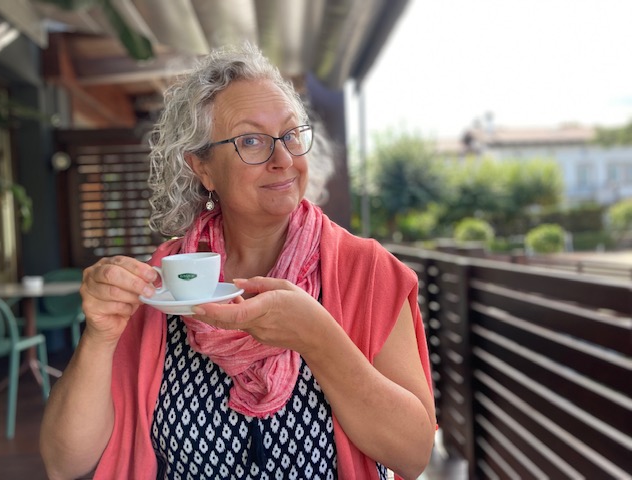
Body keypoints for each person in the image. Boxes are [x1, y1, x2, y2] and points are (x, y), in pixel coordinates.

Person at [40, 43, 436, 480]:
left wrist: (321, 342)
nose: (283, 160)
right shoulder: (165, 282)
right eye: (251, 141)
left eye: (289, 135)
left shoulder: (367, 270)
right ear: (203, 169)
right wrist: (99, 337)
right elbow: (64, 463)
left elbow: (413, 456)